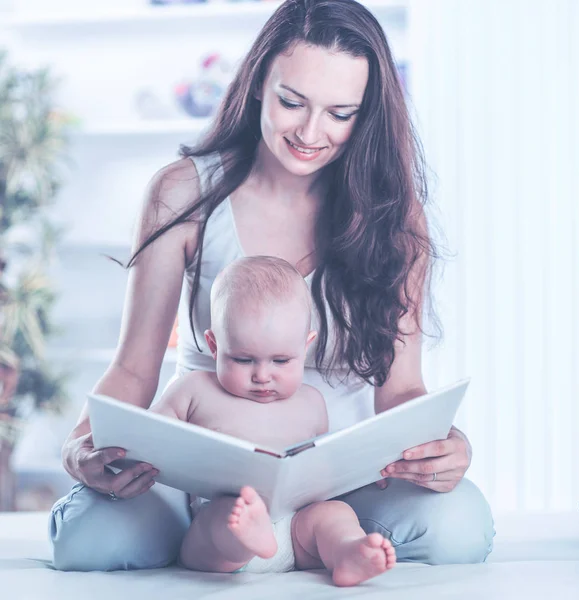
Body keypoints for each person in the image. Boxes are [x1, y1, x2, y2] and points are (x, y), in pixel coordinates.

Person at [49, 0, 494, 572]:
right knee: (91, 541)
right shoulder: (185, 194)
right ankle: (234, 537)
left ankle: (316, 539)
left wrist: (445, 446)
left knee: (461, 528)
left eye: (340, 113)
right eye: (292, 102)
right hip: (203, 478)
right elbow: (135, 368)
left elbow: (402, 387)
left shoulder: (393, 217)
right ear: (259, 82)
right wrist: (80, 442)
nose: (312, 133)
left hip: (339, 482)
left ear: (368, 115)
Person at [151, 255, 396, 586]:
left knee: (334, 515)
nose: (262, 375)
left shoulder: (311, 403)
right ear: (214, 345)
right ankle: (246, 540)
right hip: (225, 530)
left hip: (293, 528)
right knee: (219, 520)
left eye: (281, 360)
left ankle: (347, 552)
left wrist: (365, 468)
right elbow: (148, 436)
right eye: (243, 359)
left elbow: (323, 472)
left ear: (305, 347)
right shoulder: (194, 389)